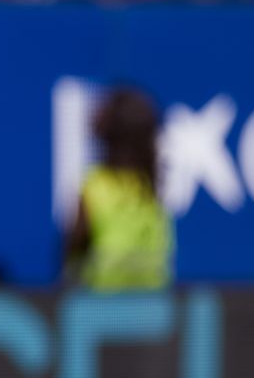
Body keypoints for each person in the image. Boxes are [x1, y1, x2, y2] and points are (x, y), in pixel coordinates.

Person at [62, 86, 172, 290]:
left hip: (104, 312)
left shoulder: (95, 185)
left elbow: (73, 250)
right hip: (154, 310)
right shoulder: (152, 186)